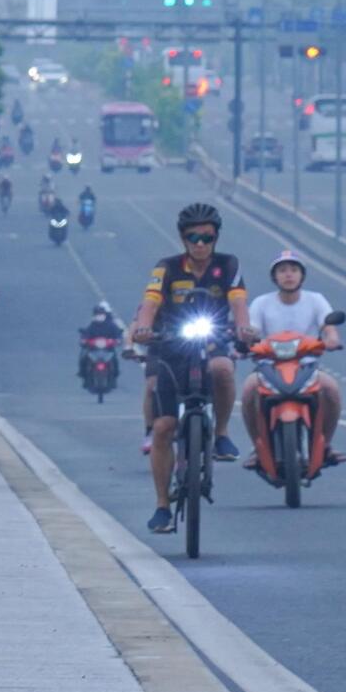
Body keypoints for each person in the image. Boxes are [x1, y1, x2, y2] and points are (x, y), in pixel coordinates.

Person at [128, 202, 253, 533]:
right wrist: (143, 327)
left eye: (207, 237)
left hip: (212, 340)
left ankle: (222, 433)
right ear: (183, 239)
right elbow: (151, 301)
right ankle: (161, 506)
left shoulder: (228, 265)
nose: (200, 244)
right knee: (164, 427)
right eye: (193, 237)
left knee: (224, 369)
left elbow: (238, 301)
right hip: (172, 346)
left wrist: (244, 328)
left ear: (216, 238)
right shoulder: (166, 267)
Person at [240, 250, 345, 462]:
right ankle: (257, 447)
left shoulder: (316, 300)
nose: (288, 275)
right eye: (283, 270)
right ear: (275, 277)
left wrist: (332, 338)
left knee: (332, 390)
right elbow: (253, 331)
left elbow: (328, 326)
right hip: (269, 367)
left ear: (302, 276)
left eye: (294, 270)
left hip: (307, 367)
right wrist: (247, 338)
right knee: (249, 390)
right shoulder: (262, 303)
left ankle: (325, 444)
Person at [78, 298, 124, 385]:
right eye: (97, 314)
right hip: (93, 349)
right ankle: (83, 375)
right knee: (83, 357)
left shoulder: (111, 325)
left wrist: (117, 340)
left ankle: (114, 376)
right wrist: (84, 340)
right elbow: (86, 334)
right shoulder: (92, 325)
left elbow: (117, 333)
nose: (99, 316)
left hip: (108, 349)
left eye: (101, 314)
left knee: (114, 359)